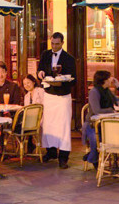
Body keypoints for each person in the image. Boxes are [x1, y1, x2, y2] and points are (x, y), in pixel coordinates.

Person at [37, 32, 76, 169]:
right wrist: (40, 73)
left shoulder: (69, 59)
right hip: (49, 95)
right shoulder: (45, 55)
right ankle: (51, 151)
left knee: (63, 127)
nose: (54, 46)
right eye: (52, 43)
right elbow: (40, 70)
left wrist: (61, 82)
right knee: (48, 124)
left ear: (62, 43)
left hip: (63, 97)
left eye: (57, 44)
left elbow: (74, 79)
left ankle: (63, 157)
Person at [82, 70, 119, 169]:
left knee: (118, 137)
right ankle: (94, 158)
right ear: (104, 80)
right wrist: (111, 110)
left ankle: (113, 162)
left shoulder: (107, 91)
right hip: (93, 124)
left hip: (108, 123)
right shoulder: (94, 92)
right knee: (96, 140)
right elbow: (96, 110)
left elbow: (115, 98)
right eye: (109, 78)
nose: (110, 80)